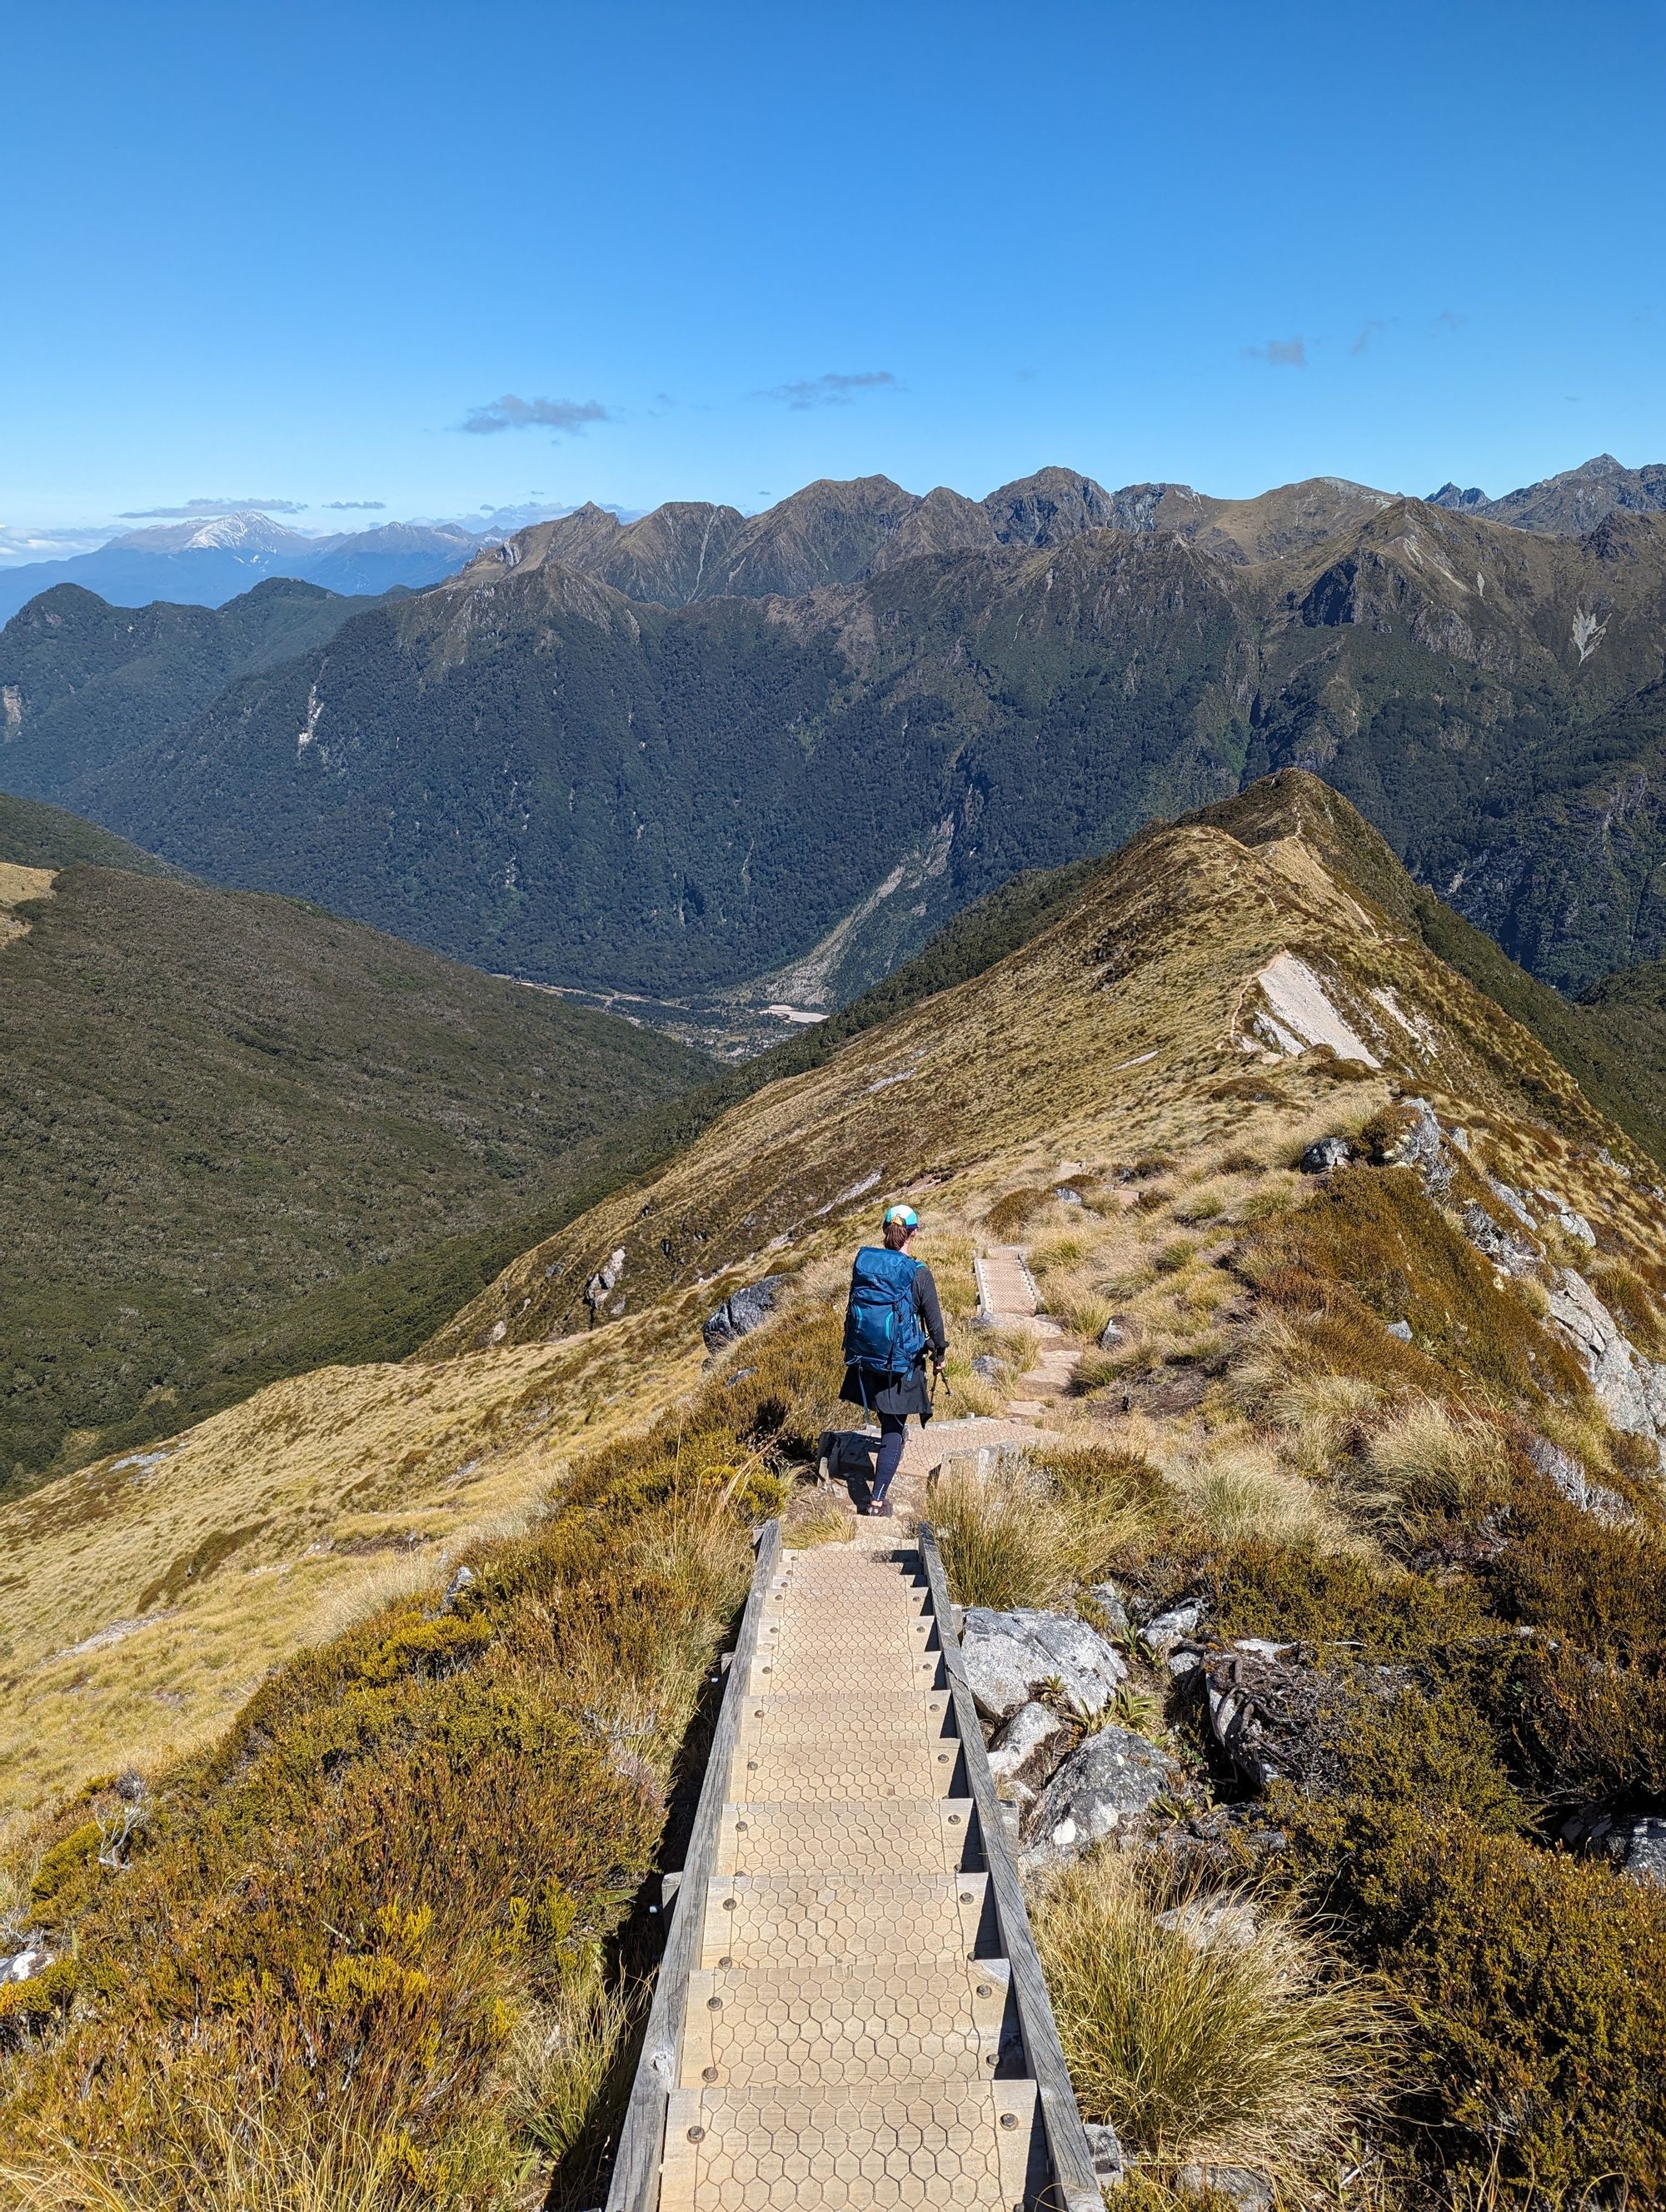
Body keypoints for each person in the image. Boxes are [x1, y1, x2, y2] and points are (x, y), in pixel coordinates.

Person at [839, 1203, 947, 1517]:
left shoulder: (866, 1264)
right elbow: (935, 1324)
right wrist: (938, 1354)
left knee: (890, 1423)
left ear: (885, 1230)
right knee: (893, 1430)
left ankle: (876, 1491)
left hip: (866, 1357)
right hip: (898, 1364)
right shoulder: (918, 1272)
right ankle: (876, 1502)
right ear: (913, 1232)